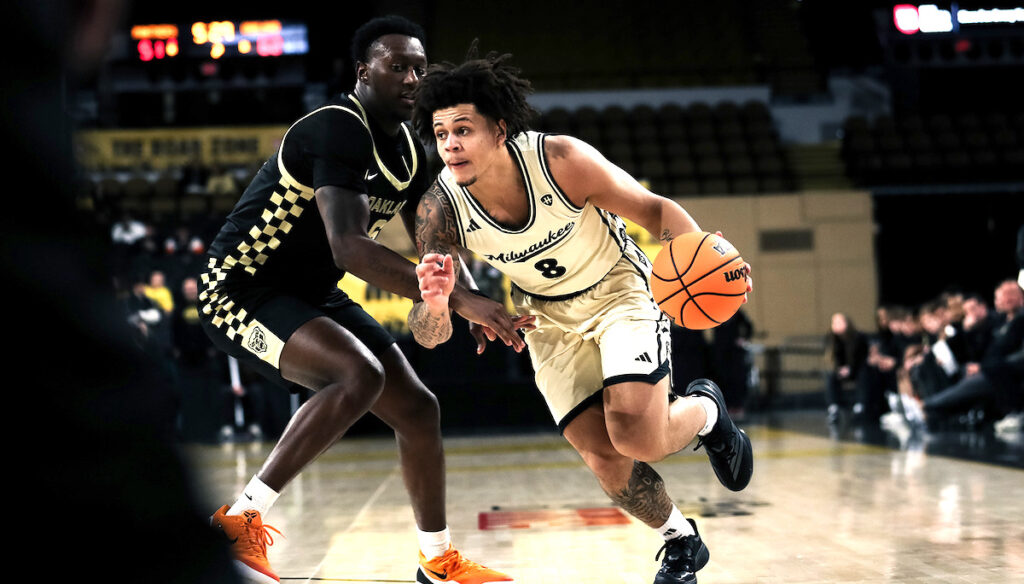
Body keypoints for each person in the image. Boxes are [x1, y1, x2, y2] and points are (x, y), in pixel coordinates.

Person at [408, 47, 754, 584]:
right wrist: (437, 304)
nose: (450, 144)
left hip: (619, 290)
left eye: (463, 129)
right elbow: (428, 337)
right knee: (603, 456)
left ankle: (707, 411)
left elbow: (655, 209)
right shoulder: (439, 209)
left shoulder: (560, 160)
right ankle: (681, 541)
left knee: (637, 438)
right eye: (440, 132)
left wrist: (702, 253)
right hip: (546, 320)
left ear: (500, 130)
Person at [198, 17, 525, 584]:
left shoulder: (410, 152)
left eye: (420, 67)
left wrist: (467, 296)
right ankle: (239, 519)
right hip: (240, 287)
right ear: (363, 72)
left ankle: (437, 560)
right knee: (356, 374)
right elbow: (348, 248)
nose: (412, 77)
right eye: (396, 65)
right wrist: (467, 305)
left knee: (419, 410)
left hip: (310, 294)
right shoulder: (335, 127)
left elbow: (435, 242)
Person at [920, 280, 1024, 427]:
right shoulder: (1002, 321)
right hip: (990, 369)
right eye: (1000, 297)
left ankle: (927, 405)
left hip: (1000, 371)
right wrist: (968, 331)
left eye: (1009, 295)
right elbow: (980, 352)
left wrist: (985, 366)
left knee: (972, 382)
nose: (1003, 300)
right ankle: (933, 409)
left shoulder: (1003, 321)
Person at [823, 313, 870, 424]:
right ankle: (833, 408)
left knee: (864, 374)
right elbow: (832, 358)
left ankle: (860, 406)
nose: (837, 325)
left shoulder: (859, 337)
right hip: (840, 370)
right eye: (834, 323)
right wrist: (839, 369)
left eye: (840, 322)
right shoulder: (831, 339)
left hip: (856, 369)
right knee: (830, 376)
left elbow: (861, 357)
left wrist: (850, 368)